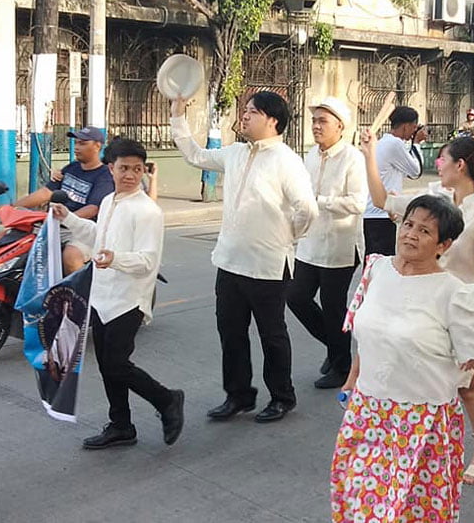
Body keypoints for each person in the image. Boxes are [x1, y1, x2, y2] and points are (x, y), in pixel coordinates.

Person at [332, 195, 474, 523]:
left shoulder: (454, 294)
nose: (411, 234)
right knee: (360, 509)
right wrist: (353, 378)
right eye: (408, 224)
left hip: (422, 424)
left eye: (425, 231)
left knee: (413, 515)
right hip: (367, 414)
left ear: (444, 244)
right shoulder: (377, 269)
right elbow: (369, 334)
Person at [362, 133, 474, 485]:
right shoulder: (435, 200)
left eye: (442, 159)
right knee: (421, 387)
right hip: (417, 311)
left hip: (457, 314)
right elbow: (384, 201)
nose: (437, 165)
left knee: (467, 388)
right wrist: (369, 154)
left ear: (460, 165)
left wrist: (471, 338)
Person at [170, 92, 318, 423]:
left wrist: (287, 237)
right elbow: (195, 155)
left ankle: (282, 396)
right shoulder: (235, 153)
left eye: (253, 111)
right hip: (229, 261)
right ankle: (238, 395)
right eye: (246, 110)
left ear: (273, 120)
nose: (245, 116)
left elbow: (307, 209)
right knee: (231, 333)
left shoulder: (286, 160)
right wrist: (178, 116)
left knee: (272, 335)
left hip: (267, 265)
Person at [50, 139, 184, 448]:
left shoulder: (147, 211)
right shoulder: (110, 201)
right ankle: (121, 425)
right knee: (108, 363)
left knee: (117, 364)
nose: (130, 175)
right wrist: (67, 218)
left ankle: (167, 400)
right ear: (111, 168)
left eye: (137, 169)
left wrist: (116, 258)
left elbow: (148, 261)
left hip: (129, 298)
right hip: (101, 295)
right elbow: (98, 235)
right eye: (124, 168)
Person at [286, 97, 366, 389]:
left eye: (323, 121)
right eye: (314, 121)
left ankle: (342, 366)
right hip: (310, 243)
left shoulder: (352, 158)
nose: (316, 126)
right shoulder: (309, 155)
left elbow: (357, 203)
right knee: (295, 297)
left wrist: (318, 202)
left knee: (333, 308)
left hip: (340, 246)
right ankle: (336, 349)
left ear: (340, 127)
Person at [18, 125, 114, 273]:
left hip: (82, 230)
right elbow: (46, 192)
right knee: (22, 247)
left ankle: (78, 295)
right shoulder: (72, 168)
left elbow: (92, 208)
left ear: (97, 146)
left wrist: (65, 218)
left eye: (82, 143)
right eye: (76, 143)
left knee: (71, 256)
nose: (76, 147)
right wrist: (14, 207)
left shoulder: (104, 176)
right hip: (56, 225)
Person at [362, 105, 426, 255]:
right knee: (381, 262)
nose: (413, 132)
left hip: (371, 213)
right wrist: (416, 143)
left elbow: (407, 172)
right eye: (413, 127)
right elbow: (416, 171)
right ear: (406, 126)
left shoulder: (384, 142)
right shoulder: (394, 144)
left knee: (372, 262)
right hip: (382, 214)